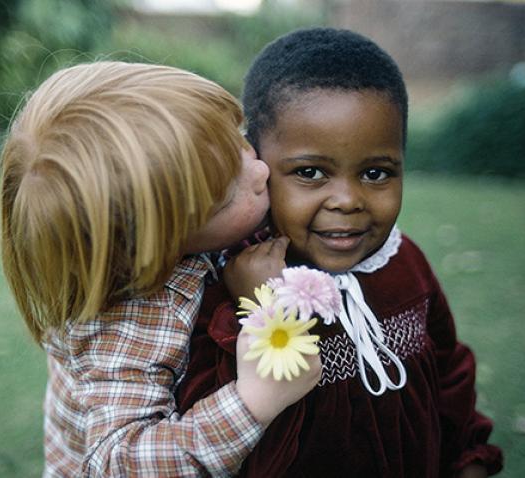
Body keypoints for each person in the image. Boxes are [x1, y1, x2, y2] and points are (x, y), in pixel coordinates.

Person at [177, 28, 503, 477]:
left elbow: (450, 372)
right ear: (257, 164)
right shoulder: (234, 280)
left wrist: (469, 459)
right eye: (310, 172)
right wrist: (259, 309)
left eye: (375, 172)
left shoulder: (405, 262)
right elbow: (218, 436)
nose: (347, 200)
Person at [0, 61, 321, 477]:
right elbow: (119, 462)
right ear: (150, 246)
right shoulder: (128, 319)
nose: (260, 171)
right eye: (224, 197)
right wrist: (252, 401)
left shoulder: (186, 244)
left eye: (238, 142)